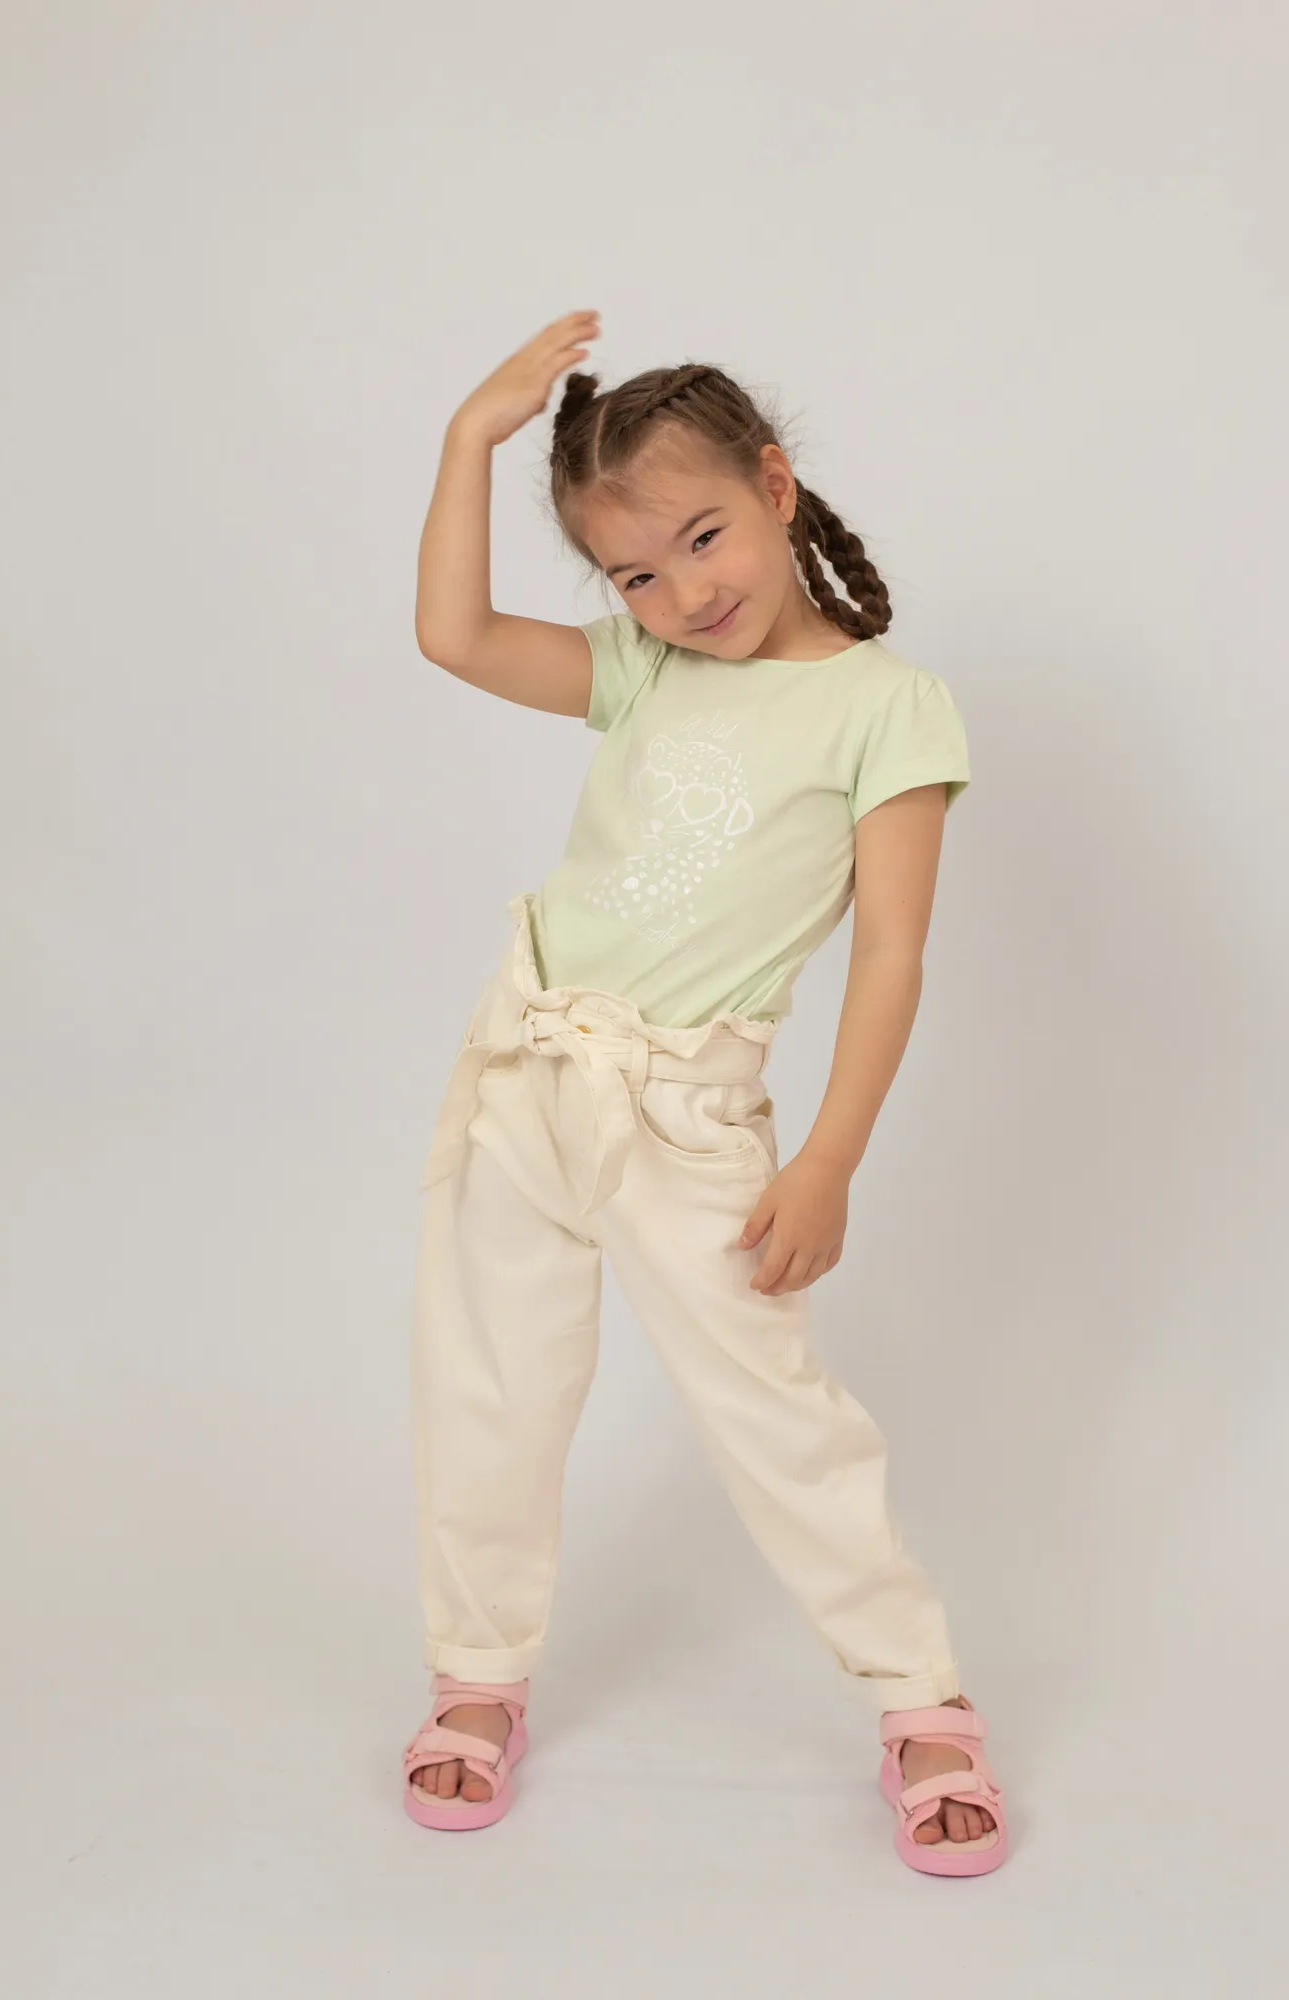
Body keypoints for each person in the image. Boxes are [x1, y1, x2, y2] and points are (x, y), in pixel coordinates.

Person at [399, 311, 1007, 1876]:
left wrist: (829, 1158)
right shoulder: (642, 669)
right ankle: (476, 1677)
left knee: (778, 1416)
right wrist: (469, 440)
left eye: (703, 537)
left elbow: (891, 955)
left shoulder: (887, 706)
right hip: (528, 1072)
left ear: (776, 486)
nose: (683, 593)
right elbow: (454, 639)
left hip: (686, 1118)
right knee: (488, 1388)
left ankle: (918, 1695)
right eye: (635, 574)